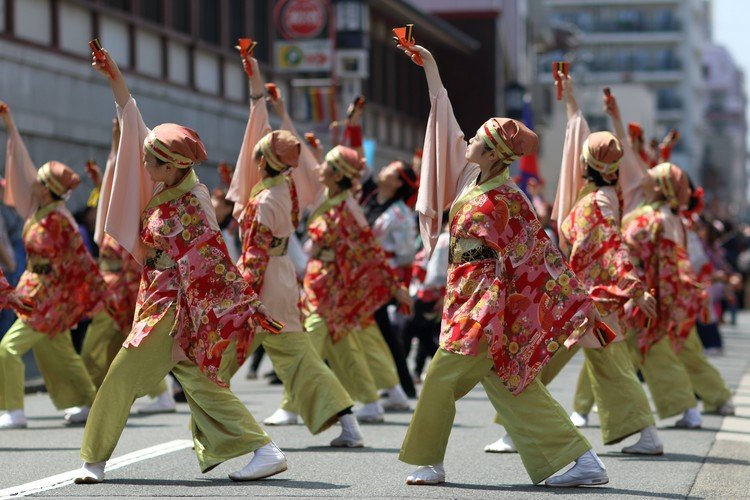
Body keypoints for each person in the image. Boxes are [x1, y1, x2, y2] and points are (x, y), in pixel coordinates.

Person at [395, 42, 610, 488]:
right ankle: (580, 458)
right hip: (466, 295)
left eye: (478, 138)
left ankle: (430, 460)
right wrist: (430, 67)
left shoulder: (509, 199)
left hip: (484, 304)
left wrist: (576, 304)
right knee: (511, 384)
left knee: (439, 377)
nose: (469, 140)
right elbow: (443, 114)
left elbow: (539, 256)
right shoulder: (470, 177)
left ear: (493, 153)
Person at [75, 46, 285, 484]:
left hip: (173, 305)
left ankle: (93, 459)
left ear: (171, 167)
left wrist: (243, 300)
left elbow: (213, 256)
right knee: (199, 379)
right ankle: (265, 449)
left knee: (121, 374)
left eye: (151, 160)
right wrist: (114, 76)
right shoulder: (170, 182)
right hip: (159, 295)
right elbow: (132, 118)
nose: (143, 162)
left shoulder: (195, 200)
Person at [487, 74, 663, 455]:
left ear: (587, 162)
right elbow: (615, 160)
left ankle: (514, 429)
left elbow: (611, 247)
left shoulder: (598, 201)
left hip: (584, 303)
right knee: (591, 366)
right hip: (583, 302)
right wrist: (572, 102)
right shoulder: (604, 193)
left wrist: (631, 285)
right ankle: (645, 433)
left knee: (540, 359)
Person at [221, 54, 363, 447]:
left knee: (219, 358)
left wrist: (242, 293)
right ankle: (348, 425)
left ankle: (221, 432)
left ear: (263, 160)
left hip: (264, 281)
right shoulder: (286, 189)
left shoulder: (264, 200)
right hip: (282, 278)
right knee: (299, 359)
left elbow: (254, 252)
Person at [0, 102, 104, 429]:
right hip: (35, 289)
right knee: (60, 355)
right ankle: (89, 402)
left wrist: (85, 300)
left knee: (7, 348)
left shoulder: (61, 221)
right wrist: (10, 124)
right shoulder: (41, 212)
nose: (34, 184)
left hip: (47, 298)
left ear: (48, 189)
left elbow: (82, 263)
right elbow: (23, 166)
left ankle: (14, 411)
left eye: (40, 181)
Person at [79, 126, 175, 414]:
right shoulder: (116, 214)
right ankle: (156, 394)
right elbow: (113, 174)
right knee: (122, 347)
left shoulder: (135, 212)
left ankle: (93, 401)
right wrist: (115, 142)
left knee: (100, 347)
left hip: (121, 288)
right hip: (111, 287)